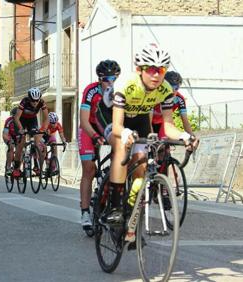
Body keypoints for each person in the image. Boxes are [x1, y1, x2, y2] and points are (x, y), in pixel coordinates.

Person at [108, 43, 199, 225]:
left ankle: (132, 213)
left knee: (141, 161)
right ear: (139, 70)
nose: (156, 75)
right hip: (114, 119)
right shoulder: (126, 84)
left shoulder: (165, 89)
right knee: (121, 146)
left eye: (161, 69)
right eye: (150, 69)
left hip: (141, 119)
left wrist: (184, 136)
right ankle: (115, 207)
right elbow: (117, 126)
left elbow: (168, 124)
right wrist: (125, 132)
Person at [79, 59, 121, 230]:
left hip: (106, 126)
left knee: (120, 158)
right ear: (99, 79)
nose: (109, 82)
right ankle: (84, 212)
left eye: (113, 78)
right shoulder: (91, 91)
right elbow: (83, 119)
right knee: (89, 168)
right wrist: (95, 136)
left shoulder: (118, 93)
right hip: (89, 127)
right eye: (106, 79)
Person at [12, 87, 49, 178]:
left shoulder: (41, 102)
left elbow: (47, 118)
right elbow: (16, 118)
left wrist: (43, 129)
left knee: (36, 140)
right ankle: (16, 168)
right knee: (21, 142)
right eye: (33, 101)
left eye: (37, 101)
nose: (35, 103)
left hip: (32, 120)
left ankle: (36, 165)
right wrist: (21, 129)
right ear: (29, 99)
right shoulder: (24, 101)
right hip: (21, 120)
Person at [151, 71, 194, 137]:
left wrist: (191, 137)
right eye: (170, 87)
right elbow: (147, 120)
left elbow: (185, 120)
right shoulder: (154, 95)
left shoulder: (179, 99)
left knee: (165, 143)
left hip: (163, 123)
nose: (173, 91)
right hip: (148, 121)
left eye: (176, 88)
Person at [2, 107, 19, 175]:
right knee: (11, 147)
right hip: (9, 135)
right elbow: (5, 134)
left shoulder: (22, 120)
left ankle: (17, 167)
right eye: (14, 116)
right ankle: (8, 167)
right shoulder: (9, 121)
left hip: (17, 136)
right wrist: (8, 141)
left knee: (22, 150)